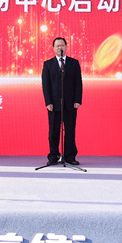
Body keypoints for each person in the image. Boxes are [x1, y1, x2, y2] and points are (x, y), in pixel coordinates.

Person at [41, 37, 82, 165]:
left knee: (70, 130)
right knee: (53, 131)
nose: (60, 48)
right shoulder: (48, 64)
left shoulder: (74, 63)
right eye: (57, 46)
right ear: (53, 48)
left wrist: (77, 100)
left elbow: (78, 83)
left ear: (66, 47)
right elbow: (46, 85)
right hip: (54, 104)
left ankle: (70, 156)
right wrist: (48, 102)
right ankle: (53, 156)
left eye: (62, 45)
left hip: (70, 103)